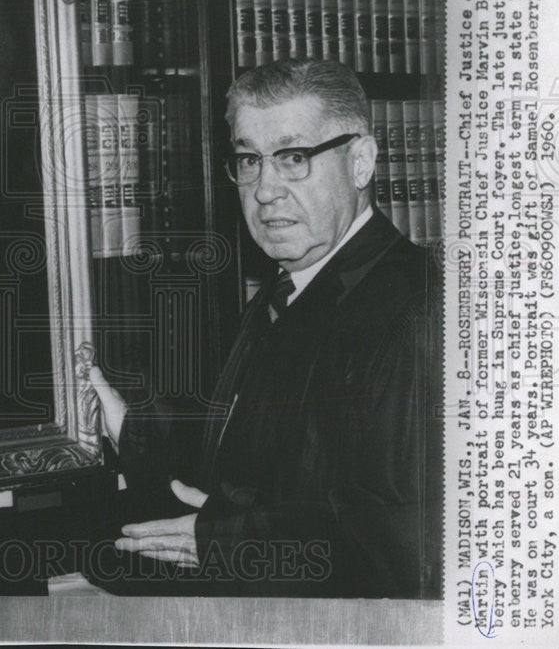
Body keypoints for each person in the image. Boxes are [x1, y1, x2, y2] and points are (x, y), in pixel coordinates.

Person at [90, 59, 443, 597]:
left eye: (294, 157)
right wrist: (125, 428)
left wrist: (232, 541)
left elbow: (407, 551)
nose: (265, 189)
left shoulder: (412, 310)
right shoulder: (284, 292)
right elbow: (255, 470)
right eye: (249, 160)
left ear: (361, 162)